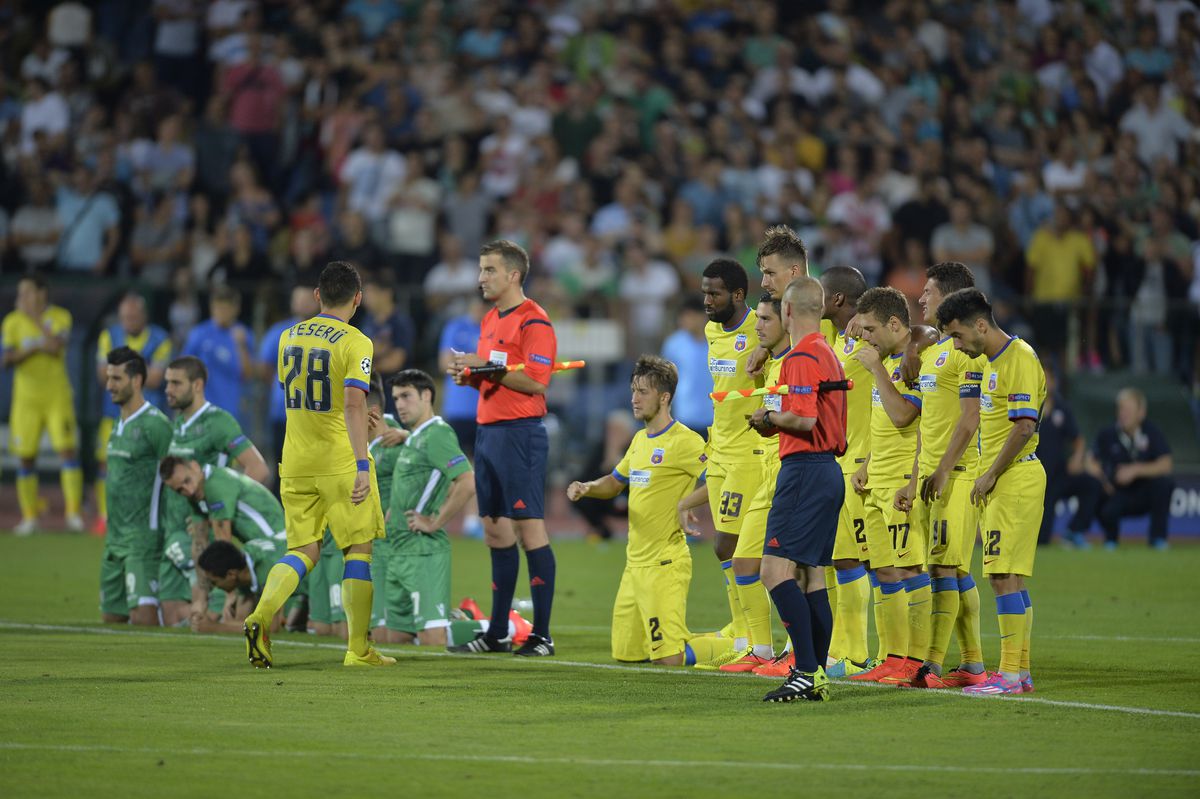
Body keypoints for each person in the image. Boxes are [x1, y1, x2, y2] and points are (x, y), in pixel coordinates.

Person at [243, 261, 393, 668]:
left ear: (316, 296)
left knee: (302, 549)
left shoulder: (288, 336)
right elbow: (351, 401)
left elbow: (298, 395)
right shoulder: (356, 341)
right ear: (358, 299)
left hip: (294, 459)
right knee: (357, 550)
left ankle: (259, 616)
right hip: (340, 460)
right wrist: (363, 463)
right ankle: (358, 650)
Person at [568, 355, 733, 667]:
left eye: (643, 391)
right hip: (634, 564)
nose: (634, 398)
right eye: (633, 390)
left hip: (664, 564)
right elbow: (615, 482)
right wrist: (588, 487)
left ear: (664, 397)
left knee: (669, 658)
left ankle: (735, 643)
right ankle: (727, 640)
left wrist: (686, 503)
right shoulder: (639, 440)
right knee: (627, 654)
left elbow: (721, 477)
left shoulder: (685, 441)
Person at [447, 240, 559, 657]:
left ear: (513, 274)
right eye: (480, 270)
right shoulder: (491, 318)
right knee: (495, 529)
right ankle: (496, 632)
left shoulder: (535, 321)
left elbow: (536, 380)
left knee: (529, 528)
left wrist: (485, 368)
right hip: (489, 431)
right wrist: (469, 376)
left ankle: (542, 635)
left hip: (521, 433)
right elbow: (494, 375)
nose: (481, 278)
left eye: (489, 270)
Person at [937, 288, 1047, 695]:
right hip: (1004, 480)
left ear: (980, 324)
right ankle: (1021, 671)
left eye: (959, 336)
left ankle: (1009, 676)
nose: (957, 344)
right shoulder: (990, 362)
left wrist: (989, 475)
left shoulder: (1019, 358)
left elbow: (1024, 426)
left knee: (1002, 576)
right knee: (1011, 579)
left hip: (1013, 478)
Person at [748, 276, 847, 702]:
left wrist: (768, 417)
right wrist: (774, 422)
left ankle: (805, 670)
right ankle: (817, 673)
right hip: (825, 469)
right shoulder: (827, 351)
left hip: (805, 471)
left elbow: (803, 420)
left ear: (788, 312)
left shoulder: (800, 356)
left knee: (773, 570)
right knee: (811, 576)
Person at [675, 258, 762, 656]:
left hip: (750, 449)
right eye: (704, 292)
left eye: (715, 293)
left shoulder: (761, 328)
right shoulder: (711, 330)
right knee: (726, 548)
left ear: (739, 295)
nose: (707, 300)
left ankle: (754, 642)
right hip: (720, 447)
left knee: (735, 545)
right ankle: (742, 632)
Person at [909, 262, 989, 689]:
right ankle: (973, 665)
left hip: (957, 474)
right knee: (954, 571)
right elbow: (929, 422)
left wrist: (942, 470)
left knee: (943, 569)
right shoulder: (937, 350)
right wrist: (917, 474)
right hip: (932, 474)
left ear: (950, 296)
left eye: (928, 292)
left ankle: (932, 666)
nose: (921, 298)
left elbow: (970, 418)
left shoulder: (965, 351)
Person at [845, 287, 926, 687]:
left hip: (901, 486)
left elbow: (902, 418)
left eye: (872, 329)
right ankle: (893, 657)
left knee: (911, 570)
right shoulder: (892, 357)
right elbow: (880, 425)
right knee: (883, 572)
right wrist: (867, 464)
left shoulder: (914, 361)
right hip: (877, 479)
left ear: (896, 324)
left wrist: (876, 368)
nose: (868, 338)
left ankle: (919, 662)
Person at [161, 356, 269, 627]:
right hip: (179, 531)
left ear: (197, 385)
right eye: (167, 383)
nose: (168, 389)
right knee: (169, 614)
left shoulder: (218, 421)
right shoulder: (178, 425)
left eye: (176, 383)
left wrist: (221, 513)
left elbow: (257, 468)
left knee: (214, 619)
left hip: (210, 538)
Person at [715, 293, 792, 673]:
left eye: (765, 319)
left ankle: (799, 652)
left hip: (792, 473)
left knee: (797, 568)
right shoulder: (774, 364)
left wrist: (771, 420)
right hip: (767, 471)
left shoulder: (797, 363)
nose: (758, 325)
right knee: (744, 563)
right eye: (758, 318)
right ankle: (761, 649)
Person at [377, 369, 476, 647]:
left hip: (423, 551)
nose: (399, 404)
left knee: (432, 638)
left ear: (427, 395)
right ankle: (456, 618)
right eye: (396, 397)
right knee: (395, 637)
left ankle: (494, 627)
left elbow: (467, 482)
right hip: (397, 550)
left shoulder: (438, 434)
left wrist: (434, 521)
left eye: (406, 396)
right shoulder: (415, 437)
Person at [817, 266, 876, 679]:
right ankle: (844, 649)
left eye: (821, 292)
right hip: (838, 462)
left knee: (853, 561)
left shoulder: (867, 339)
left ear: (837, 299)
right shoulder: (836, 337)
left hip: (861, 464)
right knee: (839, 559)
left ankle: (854, 652)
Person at [157, 455, 289, 633]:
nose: (188, 490)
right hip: (255, 552)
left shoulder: (216, 485)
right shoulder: (197, 494)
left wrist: (229, 593)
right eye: (180, 490)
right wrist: (200, 599)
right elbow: (200, 544)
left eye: (187, 481)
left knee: (269, 622)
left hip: (274, 548)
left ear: (195, 466)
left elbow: (223, 544)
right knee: (242, 619)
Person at [2, 274, 84, 534]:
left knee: (67, 451)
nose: (22, 298)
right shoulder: (12, 322)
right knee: (25, 458)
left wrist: (34, 324)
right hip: (26, 399)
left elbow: (54, 346)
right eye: (21, 293)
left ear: (41, 294)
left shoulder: (60, 316)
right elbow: (6, 360)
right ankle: (29, 517)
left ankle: (73, 514)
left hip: (56, 395)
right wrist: (34, 347)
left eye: (27, 292)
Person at [100, 347, 172, 625]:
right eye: (109, 378)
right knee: (111, 618)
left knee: (144, 620)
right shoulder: (116, 425)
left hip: (143, 541)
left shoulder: (156, 426)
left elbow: (178, 480)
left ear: (137, 380)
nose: (109, 386)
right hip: (113, 539)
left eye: (116, 378)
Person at [94, 293, 172, 534]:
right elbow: (101, 375)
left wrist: (119, 374)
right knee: (106, 464)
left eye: (134, 316)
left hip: (151, 415)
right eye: (125, 317)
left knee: (155, 466)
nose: (129, 321)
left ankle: (153, 515)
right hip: (114, 414)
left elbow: (158, 378)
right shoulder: (109, 335)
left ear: (144, 316)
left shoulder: (161, 338)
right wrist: (140, 372)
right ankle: (105, 516)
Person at [1089, 388, 1174, 550]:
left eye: (1128, 409)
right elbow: (1090, 461)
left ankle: (1158, 538)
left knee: (1164, 484)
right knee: (1095, 490)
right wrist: (1103, 479)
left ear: (1141, 413)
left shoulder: (1151, 431)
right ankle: (1110, 540)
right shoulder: (1107, 434)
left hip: (1143, 493)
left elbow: (1166, 464)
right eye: (1121, 409)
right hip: (1116, 493)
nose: (1123, 414)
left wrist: (1135, 470)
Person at [1036, 367, 1102, 548]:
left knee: (1091, 484)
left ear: (1054, 382)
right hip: (1035, 478)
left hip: (1058, 474)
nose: (1046, 382)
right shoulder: (1028, 405)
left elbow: (1078, 439)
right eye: (1041, 378)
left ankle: (1074, 531)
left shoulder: (1062, 408)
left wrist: (1077, 458)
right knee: (1042, 540)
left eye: (1048, 378)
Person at [366, 373, 409, 642]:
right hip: (366, 540)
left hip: (393, 543)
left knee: (387, 634)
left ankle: (462, 621)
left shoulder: (399, 438)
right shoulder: (351, 437)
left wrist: (408, 436)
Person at [258, 284, 319, 471]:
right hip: (283, 412)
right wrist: (282, 387)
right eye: (297, 299)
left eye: (306, 299)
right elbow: (264, 368)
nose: (301, 304)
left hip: (316, 414)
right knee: (282, 469)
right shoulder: (279, 332)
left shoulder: (327, 332)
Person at [182, 284, 255, 429]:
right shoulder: (199, 334)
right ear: (212, 308)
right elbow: (184, 371)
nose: (222, 313)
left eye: (226, 309)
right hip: (202, 411)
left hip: (233, 413)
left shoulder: (243, 335)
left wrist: (241, 346)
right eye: (218, 308)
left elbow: (248, 374)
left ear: (236, 309)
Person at [659, 294, 713, 436]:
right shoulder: (673, 344)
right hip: (685, 418)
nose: (683, 320)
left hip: (714, 418)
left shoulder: (717, 342)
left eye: (689, 316)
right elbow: (666, 381)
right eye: (682, 316)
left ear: (702, 317)